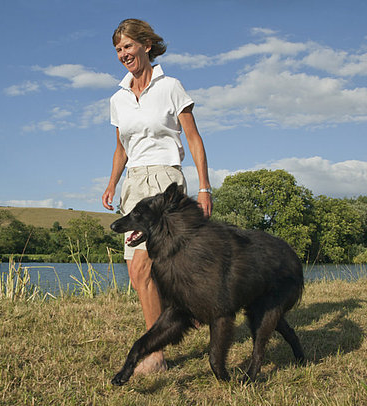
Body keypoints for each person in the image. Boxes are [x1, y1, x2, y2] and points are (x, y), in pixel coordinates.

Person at [102, 18, 213, 375]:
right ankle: (170, 328)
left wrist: (204, 186)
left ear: (146, 45)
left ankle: (156, 352)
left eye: (128, 46)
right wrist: (112, 182)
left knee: (163, 265)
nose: (123, 54)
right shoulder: (118, 97)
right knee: (138, 271)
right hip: (134, 183)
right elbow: (122, 147)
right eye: (118, 49)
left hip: (166, 182)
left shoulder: (171, 87)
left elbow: (194, 139)